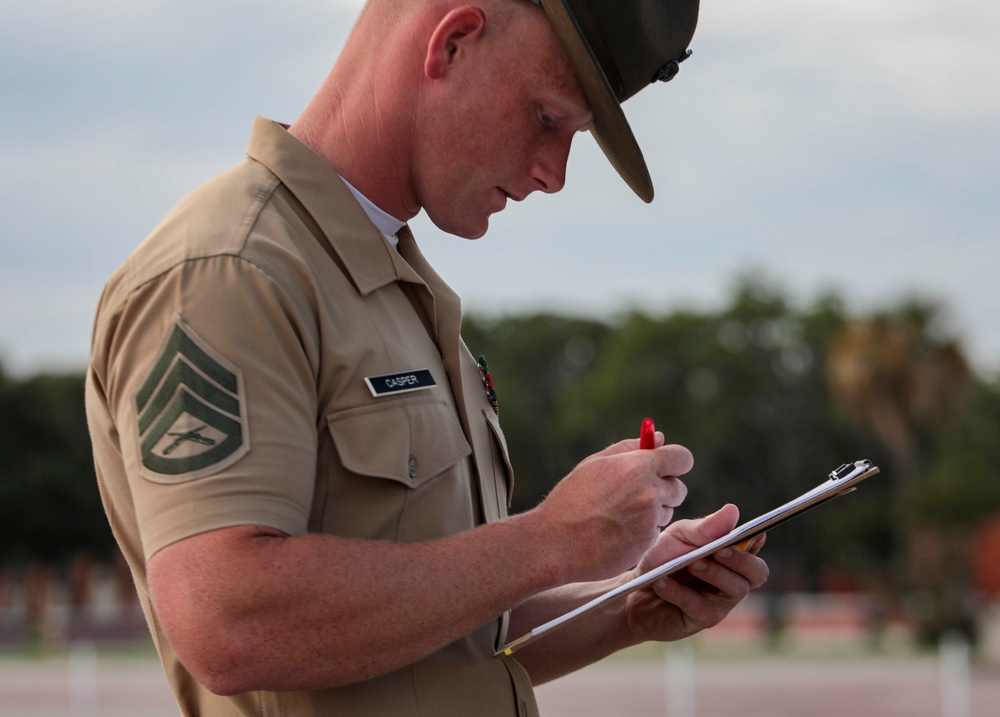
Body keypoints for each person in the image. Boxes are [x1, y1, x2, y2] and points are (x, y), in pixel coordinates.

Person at [85, 1, 769, 715]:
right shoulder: (230, 271)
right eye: (546, 117)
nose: (555, 174)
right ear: (453, 43)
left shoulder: (389, 290)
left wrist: (623, 604)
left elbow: (444, 642)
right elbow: (229, 621)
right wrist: (549, 540)